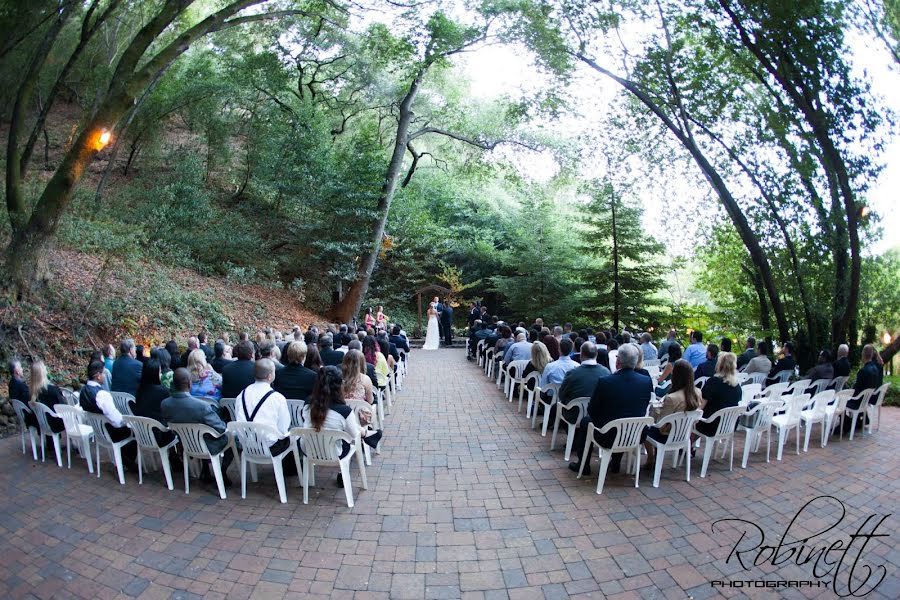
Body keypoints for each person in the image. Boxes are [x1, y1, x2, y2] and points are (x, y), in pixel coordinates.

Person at [568, 343, 651, 475]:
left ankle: (583, 464)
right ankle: (616, 462)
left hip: (608, 436)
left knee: (586, 421)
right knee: (624, 421)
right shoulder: (646, 381)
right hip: (635, 434)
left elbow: (592, 411)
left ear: (618, 361)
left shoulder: (605, 381)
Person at [161, 368, 234, 487]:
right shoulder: (202, 406)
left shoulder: (165, 404)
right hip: (206, 445)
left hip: (186, 444)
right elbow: (220, 429)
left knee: (203, 433)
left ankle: (205, 469)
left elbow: (166, 424)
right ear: (190, 384)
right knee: (233, 438)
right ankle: (222, 472)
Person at [301, 367, 363, 486]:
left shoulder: (307, 404)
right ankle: (342, 473)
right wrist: (361, 431)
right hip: (335, 452)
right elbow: (353, 435)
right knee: (348, 439)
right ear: (339, 385)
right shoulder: (344, 411)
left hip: (308, 449)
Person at [236, 359, 295, 474]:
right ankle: (290, 470)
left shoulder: (241, 394)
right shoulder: (277, 398)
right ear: (269, 376)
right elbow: (283, 428)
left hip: (247, 445)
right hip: (270, 448)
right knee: (293, 437)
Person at [80, 361, 137, 468]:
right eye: (103, 373)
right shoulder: (102, 395)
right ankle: (128, 462)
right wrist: (129, 423)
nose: (105, 375)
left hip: (98, 431)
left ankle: (124, 460)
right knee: (134, 431)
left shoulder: (83, 391)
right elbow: (116, 421)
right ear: (98, 376)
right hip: (110, 432)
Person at [645, 359, 701, 461]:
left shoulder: (672, 398)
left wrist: (655, 410)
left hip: (668, 435)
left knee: (644, 428)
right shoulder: (697, 392)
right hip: (685, 434)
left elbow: (661, 424)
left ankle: (650, 459)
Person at [696, 352, 742, 437]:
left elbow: (700, 406)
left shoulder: (713, 382)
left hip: (712, 425)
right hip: (730, 425)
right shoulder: (737, 386)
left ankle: (688, 448)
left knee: (692, 419)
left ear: (719, 365)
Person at [133, 358, 177, 446]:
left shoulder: (139, 389)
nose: (161, 374)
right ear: (155, 374)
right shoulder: (163, 391)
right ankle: (174, 456)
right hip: (159, 436)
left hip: (141, 434)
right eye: (160, 372)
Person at [28, 360, 65, 435]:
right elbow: (62, 406)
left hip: (42, 423)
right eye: (44, 367)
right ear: (42, 373)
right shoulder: (51, 390)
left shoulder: (32, 392)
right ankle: (75, 443)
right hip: (55, 423)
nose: (45, 367)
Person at [847, 344, 883, 410]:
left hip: (859, 401)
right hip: (868, 398)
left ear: (862, 354)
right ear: (872, 355)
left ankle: (848, 420)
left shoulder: (863, 371)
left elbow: (856, 389)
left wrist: (849, 394)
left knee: (842, 402)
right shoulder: (875, 369)